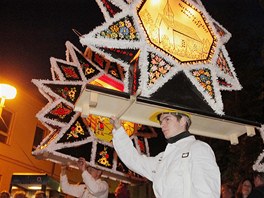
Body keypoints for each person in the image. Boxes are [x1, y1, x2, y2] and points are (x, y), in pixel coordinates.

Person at [111, 111, 221, 198]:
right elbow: (135, 161)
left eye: (167, 119)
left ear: (183, 121)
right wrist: (118, 130)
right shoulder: (162, 158)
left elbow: (207, 193)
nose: (162, 125)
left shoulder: (198, 148)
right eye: (161, 121)